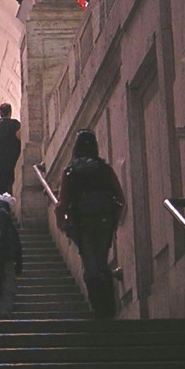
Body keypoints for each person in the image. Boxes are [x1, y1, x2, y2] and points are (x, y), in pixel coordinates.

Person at [55, 128, 126, 319]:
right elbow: (120, 198)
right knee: (101, 261)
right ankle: (109, 307)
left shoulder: (69, 172)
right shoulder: (104, 169)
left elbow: (61, 203)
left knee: (90, 263)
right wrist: (115, 220)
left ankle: (99, 309)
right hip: (104, 222)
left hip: (82, 223)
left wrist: (62, 224)